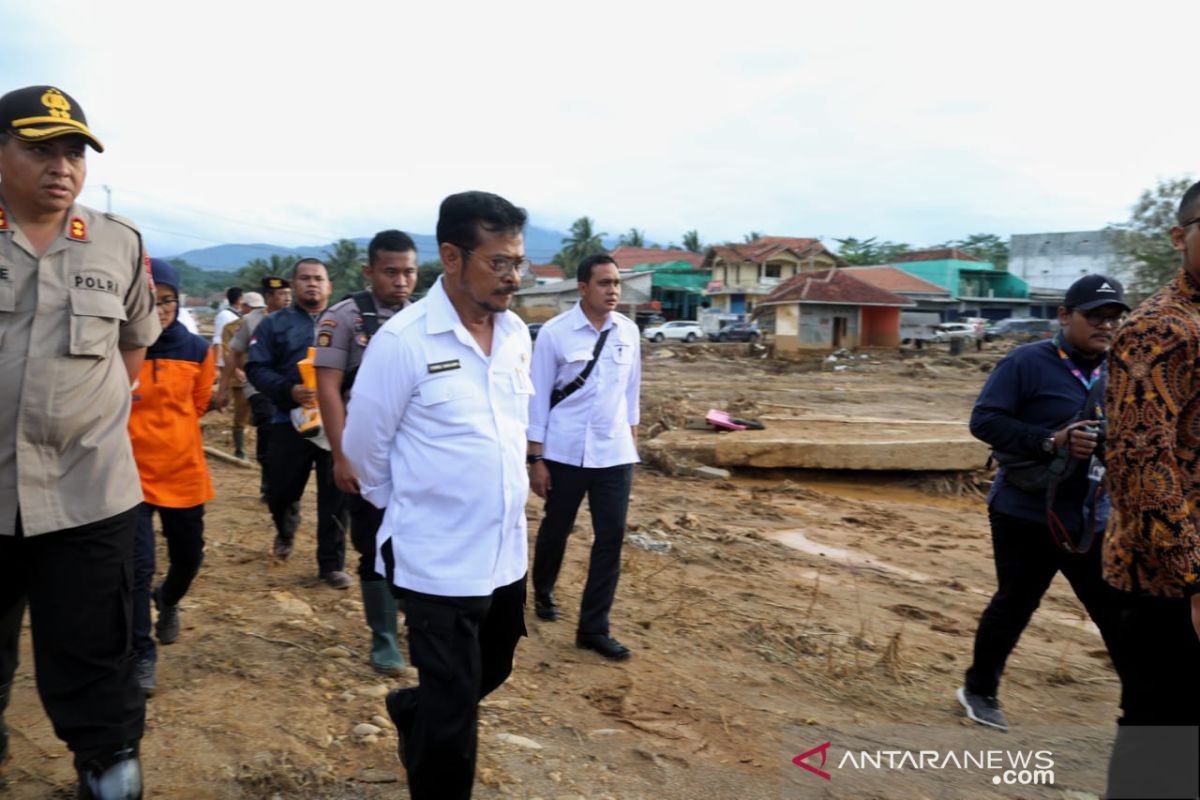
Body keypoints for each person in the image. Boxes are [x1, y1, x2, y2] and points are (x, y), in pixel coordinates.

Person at [343, 191, 531, 800]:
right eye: (499, 262)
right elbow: (366, 450)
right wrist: (419, 508)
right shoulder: (405, 342)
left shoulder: (517, 335)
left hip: (505, 550)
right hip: (436, 559)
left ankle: (413, 709)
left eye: (518, 263)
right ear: (451, 257)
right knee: (454, 724)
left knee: (493, 665)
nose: (513, 277)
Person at [0, 85, 159, 799]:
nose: (61, 166)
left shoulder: (119, 242)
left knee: (97, 658)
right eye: (39, 148)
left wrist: (81, 420)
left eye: (73, 152)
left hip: (87, 496)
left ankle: (108, 772)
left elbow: (132, 350)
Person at [957, 274, 1129, 732]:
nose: (1105, 326)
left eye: (1113, 318)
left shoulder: (1121, 369)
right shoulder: (1025, 362)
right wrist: (1050, 441)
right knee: (1015, 603)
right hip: (1024, 511)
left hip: (1092, 515)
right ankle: (979, 689)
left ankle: (1143, 709)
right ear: (1064, 315)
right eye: (1095, 316)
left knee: (1116, 611)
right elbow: (985, 421)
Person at [1102, 180, 1200, 799]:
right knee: (1162, 746)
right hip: (1167, 582)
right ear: (1179, 236)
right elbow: (1143, 467)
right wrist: (1194, 579)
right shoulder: (1158, 329)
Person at [527, 253, 641, 661]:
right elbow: (537, 398)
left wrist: (632, 443)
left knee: (610, 539)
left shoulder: (629, 332)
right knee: (557, 528)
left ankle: (593, 628)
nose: (613, 290)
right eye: (604, 283)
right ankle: (543, 590)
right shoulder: (555, 334)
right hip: (564, 452)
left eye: (616, 283)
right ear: (582, 288)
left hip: (614, 455)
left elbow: (632, 396)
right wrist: (535, 459)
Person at [314, 230, 419, 675]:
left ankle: (420, 619)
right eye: (391, 272)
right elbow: (328, 388)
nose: (401, 281)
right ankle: (384, 638)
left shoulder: (424, 318)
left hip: (416, 452)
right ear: (369, 271)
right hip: (368, 452)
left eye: (409, 272)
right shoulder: (342, 319)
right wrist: (341, 455)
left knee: (419, 540)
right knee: (375, 543)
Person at [127, 259, 215, 696]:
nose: (159, 309)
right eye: (150, 300)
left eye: (167, 301)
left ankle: (169, 600)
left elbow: (197, 406)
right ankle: (142, 654)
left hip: (182, 471)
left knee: (189, 558)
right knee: (136, 570)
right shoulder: (120, 346)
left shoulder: (197, 350)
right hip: (129, 478)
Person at [246, 259, 350, 589]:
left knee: (336, 494)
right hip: (287, 420)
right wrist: (288, 390)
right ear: (294, 285)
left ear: (329, 286)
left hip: (336, 423)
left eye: (318, 278)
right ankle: (285, 526)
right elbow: (256, 368)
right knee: (279, 490)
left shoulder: (344, 324)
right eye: (304, 278)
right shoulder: (273, 325)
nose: (312, 284)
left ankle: (331, 564)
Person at [221, 277, 291, 490]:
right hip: (258, 385)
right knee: (268, 424)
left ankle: (279, 478)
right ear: (268, 297)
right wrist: (223, 387)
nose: (287, 298)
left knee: (285, 433)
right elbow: (235, 353)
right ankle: (268, 478)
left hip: (288, 386)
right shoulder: (250, 321)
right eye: (282, 294)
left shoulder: (297, 319)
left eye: (289, 294)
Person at [216, 290, 264, 459]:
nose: (255, 311)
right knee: (241, 413)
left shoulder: (265, 324)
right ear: (243, 307)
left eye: (259, 308)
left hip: (261, 377)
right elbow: (228, 351)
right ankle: (240, 449)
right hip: (241, 377)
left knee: (262, 415)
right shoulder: (231, 328)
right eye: (252, 307)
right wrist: (236, 370)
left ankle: (262, 450)